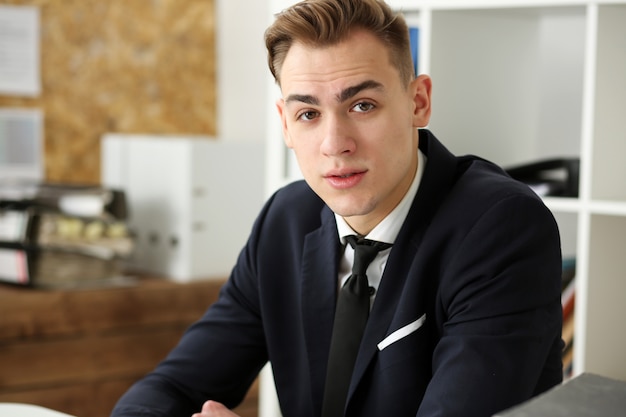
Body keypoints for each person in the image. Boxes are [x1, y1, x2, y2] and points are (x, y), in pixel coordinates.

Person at [110, 0, 564, 416]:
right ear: (285, 124)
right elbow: (172, 387)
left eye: (362, 105)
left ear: (418, 102)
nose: (335, 144)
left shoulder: (502, 228)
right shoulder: (286, 220)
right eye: (308, 114)